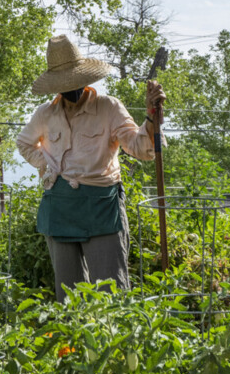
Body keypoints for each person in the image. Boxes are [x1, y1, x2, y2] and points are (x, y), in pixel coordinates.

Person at [16, 35, 163, 301]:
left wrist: (152, 118)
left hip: (101, 206)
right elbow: (25, 143)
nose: (70, 90)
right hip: (60, 207)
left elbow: (141, 148)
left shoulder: (108, 107)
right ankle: (74, 343)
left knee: (111, 292)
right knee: (69, 296)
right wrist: (47, 167)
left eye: (75, 82)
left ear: (86, 80)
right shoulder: (45, 114)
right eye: (64, 85)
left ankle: (116, 342)